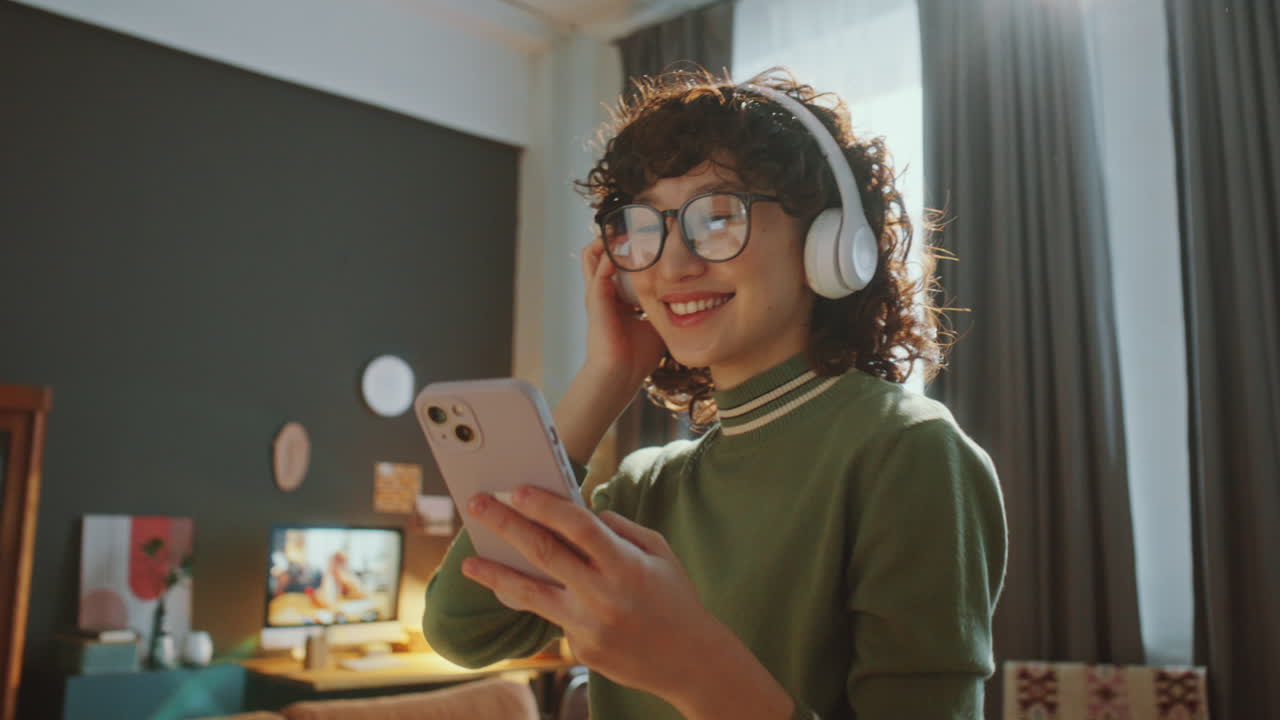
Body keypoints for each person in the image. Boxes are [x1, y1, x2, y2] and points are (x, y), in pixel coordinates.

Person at [422, 68, 1007, 720]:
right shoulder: (644, 487)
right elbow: (464, 629)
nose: (673, 265)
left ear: (830, 243)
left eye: (719, 217)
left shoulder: (908, 451)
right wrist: (606, 377)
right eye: (645, 227)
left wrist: (694, 668)